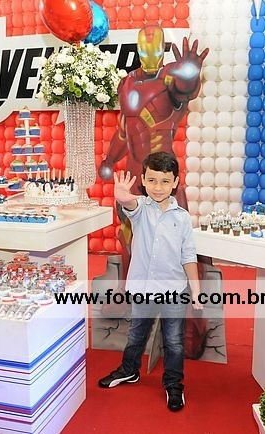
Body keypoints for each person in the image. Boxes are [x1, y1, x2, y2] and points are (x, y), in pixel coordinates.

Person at [97, 25, 208, 298]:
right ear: (138, 50)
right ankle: (131, 293)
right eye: (144, 49)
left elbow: (184, 89)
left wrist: (191, 73)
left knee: (175, 237)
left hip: (162, 174)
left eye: (154, 49)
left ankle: (184, 297)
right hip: (134, 174)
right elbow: (124, 130)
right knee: (128, 235)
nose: (149, 55)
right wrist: (110, 160)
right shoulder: (127, 83)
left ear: (162, 49)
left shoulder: (170, 76)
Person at [98, 151, 203, 412]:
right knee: (136, 333)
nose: (158, 187)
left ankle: (173, 383)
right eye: (152, 180)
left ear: (175, 182)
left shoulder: (182, 218)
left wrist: (197, 289)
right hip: (143, 288)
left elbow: (188, 255)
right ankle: (129, 370)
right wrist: (122, 197)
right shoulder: (141, 209)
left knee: (174, 341)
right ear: (143, 180)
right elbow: (130, 205)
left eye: (165, 181)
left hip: (173, 290)